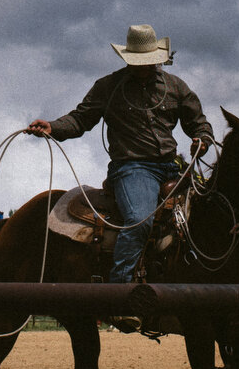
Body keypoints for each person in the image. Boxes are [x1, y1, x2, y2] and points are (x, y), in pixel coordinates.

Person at [27, 23, 215, 283]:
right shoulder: (108, 87)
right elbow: (80, 119)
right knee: (139, 220)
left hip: (174, 167)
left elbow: (199, 123)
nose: (144, 66)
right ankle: (120, 290)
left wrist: (203, 139)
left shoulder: (176, 87)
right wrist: (54, 127)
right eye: (139, 61)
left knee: (213, 210)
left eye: (149, 61)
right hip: (133, 169)